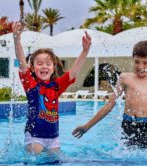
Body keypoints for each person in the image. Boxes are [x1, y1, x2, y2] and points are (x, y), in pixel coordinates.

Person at [72, 41, 147, 149]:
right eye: (137, 62)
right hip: (129, 125)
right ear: (133, 60)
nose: (140, 66)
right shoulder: (125, 78)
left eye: (145, 63)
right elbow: (109, 105)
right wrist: (87, 126)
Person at [13, 22, 91, 154]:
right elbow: (22, 64)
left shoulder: (56, 86)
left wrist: (85, 51)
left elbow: (73, 72)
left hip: (54, 137)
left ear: (53, 67)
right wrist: (17, 40)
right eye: (39, 64)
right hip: (34, 136)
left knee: (55, 165)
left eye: (48, 64)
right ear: (32, 68)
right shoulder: (31, 84)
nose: (44, 66)